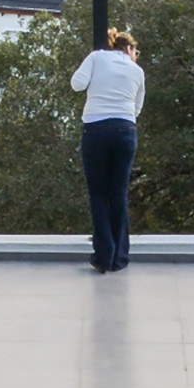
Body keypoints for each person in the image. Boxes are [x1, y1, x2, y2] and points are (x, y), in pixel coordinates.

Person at [71, 27, 145, 273]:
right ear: (128, 48)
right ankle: (120, 257)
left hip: (96, 128)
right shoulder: (137, 71)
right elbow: (137, 108)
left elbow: (77, 85)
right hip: (125, 130)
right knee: (118, 192)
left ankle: (103, 256)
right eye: (135, 52)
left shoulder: (96, 57)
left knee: (98, 193)